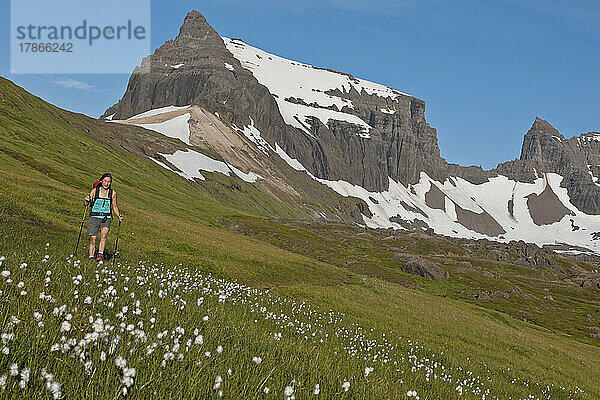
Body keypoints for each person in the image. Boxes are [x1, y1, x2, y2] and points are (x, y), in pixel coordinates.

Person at [84, 173, 123, 261]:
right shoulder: (94, 191)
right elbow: (86, 203)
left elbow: (115, 206)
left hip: (106, 218)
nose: (107, 183)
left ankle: (100, 255)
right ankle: (91, 257)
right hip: (94, 217)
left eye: (109, 182)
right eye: (105, 181)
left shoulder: (113, 193)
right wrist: (86, 201)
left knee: (104, 236)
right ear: (101, 181)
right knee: (93, 239)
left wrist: (118, 216)